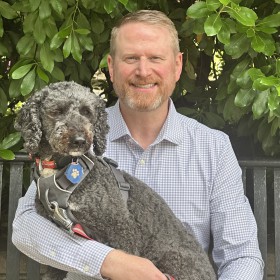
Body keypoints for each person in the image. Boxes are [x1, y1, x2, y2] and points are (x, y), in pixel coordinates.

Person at [12, 9, 264, 280]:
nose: (143, 71)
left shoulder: (214, 147)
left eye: (155, 58)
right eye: (131, 58)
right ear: (111, 67)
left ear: (177, 65)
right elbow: (26, 226)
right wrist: (108, 261)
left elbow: (241, 255)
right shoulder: (74, 139)